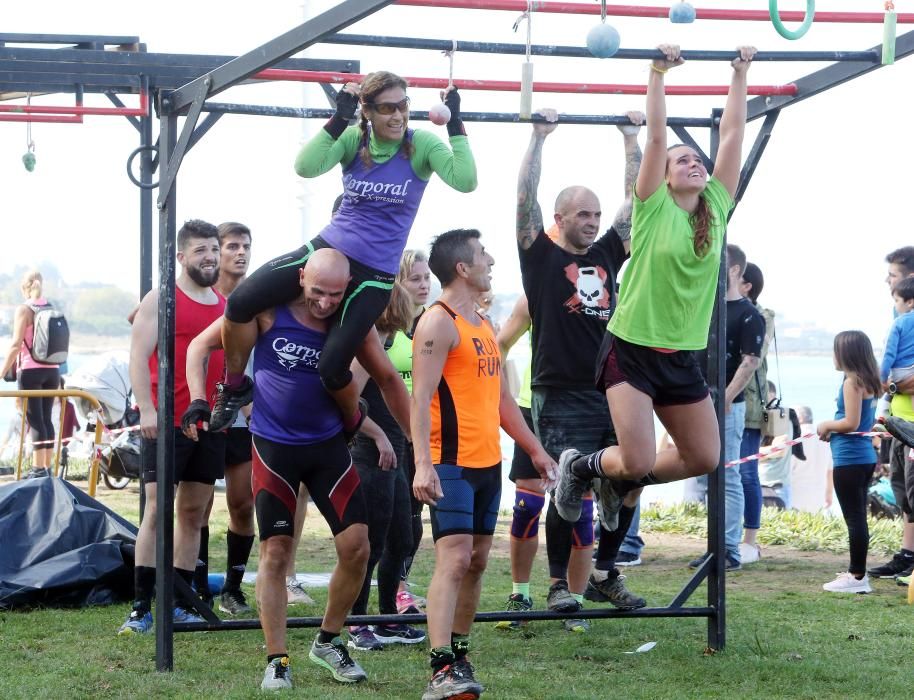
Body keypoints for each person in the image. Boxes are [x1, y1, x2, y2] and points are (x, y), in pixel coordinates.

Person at [552, 45, 756, 558]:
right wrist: (657, 73)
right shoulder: (651, 205)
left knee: (704, 457)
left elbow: (732, 136)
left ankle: (608, 480)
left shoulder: (715, 205)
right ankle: (581, 468)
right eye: (682, 160)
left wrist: (740, 73)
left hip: (679, 354)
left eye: (697, 160)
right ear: (662, 175)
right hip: (632, 347)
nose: (693, 162)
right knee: (638, 456)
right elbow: (659, 137)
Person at [210, 71, 477, 436]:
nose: (398, 116)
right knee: (240, 304)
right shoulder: (354, 139)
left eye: (403, 105)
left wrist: (456, 121)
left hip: (374, 273)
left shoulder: (421, 145)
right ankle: (236, 385)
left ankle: (353, 417)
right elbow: (305, 166)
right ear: (366, 111)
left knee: (331, 368)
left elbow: (466, 181)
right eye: (387, 108)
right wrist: (338, 120)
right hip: (327, 253)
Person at [184, 248, 378, 689]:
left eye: (334, 294)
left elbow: (383, 375)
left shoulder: (346, 320)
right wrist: (199, 398)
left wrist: (415, 447)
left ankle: (328, 641)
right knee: (275, 553)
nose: (324, 303)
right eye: (316, 292)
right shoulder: (266, 311)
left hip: (328, 447)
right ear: (300, 277)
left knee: (357, 548)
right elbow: (199, 346)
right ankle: (277, 659)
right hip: (275, 447)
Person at [508, 105, 648, 631]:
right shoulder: (538, 254)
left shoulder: (610, 252)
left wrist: (629, 138)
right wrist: (539, 140)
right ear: (561, 219)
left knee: (632, 478)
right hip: (560, 389)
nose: (592, 222)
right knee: (570, 482)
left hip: (611, 387)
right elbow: (524, 201)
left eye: (595, 214)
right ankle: (557, 586)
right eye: (582, 215)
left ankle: (605, 573)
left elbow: (635, 204)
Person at [411, 229, 556, 700]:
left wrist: (533, 448)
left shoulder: (484, 323)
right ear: (462, 268)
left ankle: (459, 651)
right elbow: (420, 400)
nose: (490, 260)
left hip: (488, 463)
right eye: (482, 255)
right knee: (452, 560)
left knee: (475, 562)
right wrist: (422, 465)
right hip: (447, 462)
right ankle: (439, 669)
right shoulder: (437, 322)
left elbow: (501, 401)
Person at [118, 220, 226, 635]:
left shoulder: (222, 303)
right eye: (201, 250)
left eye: (213, 249)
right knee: (158, 510)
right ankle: (141, 607)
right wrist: (146, 408)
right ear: (181, 256)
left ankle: (179, 603)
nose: (210, 257)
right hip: (166, 421)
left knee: (194, 513)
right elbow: (137, 356)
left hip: (210, 423)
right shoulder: (161, 298)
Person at [347, 277, 426, 651]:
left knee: (402, 538)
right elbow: (348, 400)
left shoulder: (390, 340)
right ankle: (357, 622)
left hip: (397, 448)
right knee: (372, 541)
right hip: (372, 453)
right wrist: (376, 434)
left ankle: (386, 618)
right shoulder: (370, 344)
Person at [187, 221, 257, 615]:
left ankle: (232, 588)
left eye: (246, 246)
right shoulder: (204, 296)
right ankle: (196, 585)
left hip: (245, 418)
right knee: (197, 507)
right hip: (208, 415)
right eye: (232, 246)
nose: (240, 253)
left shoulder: (256, 297)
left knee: (242, 503)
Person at [688, 245, 763, 570]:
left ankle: (729, 549)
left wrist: (726, 399)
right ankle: (714, 547)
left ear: (733, 270)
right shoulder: (708, 306)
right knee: (707, 475)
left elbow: (750, 362)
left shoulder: (749, 314)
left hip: (727, 409)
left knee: (728, 475)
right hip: (698, 403)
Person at [816, 330, 880, 594]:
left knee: (854, 520)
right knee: (858, 518)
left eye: (835, 350)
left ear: (846, 354)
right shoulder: (870, 381)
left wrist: (825, 425)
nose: (833, 355)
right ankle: (857, 572)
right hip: (864, 458)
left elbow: (850, 423)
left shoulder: (852, 382)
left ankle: (856, 577)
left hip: (850, 460)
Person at [869, 248, 914, 580]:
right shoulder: (898, 320)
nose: (888, 281)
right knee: (903, 491)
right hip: (899, 422)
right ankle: (907, 554)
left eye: (893, 275)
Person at [391, 249, 432, 616]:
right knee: (389, 518)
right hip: (387, 434)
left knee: (412, 517)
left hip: (422, 434)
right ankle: (384, 591)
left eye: (426, 277)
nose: (423, 285)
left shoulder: (432, 324)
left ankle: (401, 587)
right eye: (414, 278)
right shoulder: (384, 327)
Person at [1, 270, 61, 478]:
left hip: (31, 371)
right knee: (46, 420)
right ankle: (47, 468)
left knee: (35, 420)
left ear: (24, 288)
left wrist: (1, 373)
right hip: (52, 372)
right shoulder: (50, 307)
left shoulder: (24, 309)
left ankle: (37, 470)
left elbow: (16, 344)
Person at [737, 262, 774, 563]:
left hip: (749, 407)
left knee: (747, 473)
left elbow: (752, 359)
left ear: (747, 284)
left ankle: (750, 540)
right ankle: (731, 538)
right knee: (727, 475)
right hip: (727, 403)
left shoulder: (761, 317)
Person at [877, 276, 914, 422]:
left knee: (887, 394)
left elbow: (888, 354)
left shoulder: (899, 323)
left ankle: (883, 417)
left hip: (901, 372)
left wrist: (882, 378)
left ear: (910, 302)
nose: (895, 306)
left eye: (896, 301)